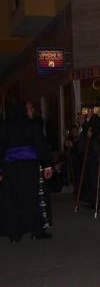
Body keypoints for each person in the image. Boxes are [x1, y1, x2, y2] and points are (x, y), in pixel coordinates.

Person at [0, 101, 53, 243]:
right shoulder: (32, 125)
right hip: (29, 169)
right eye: (28, 109)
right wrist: (47, 165)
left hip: (11, 169)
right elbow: (41, 145)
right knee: (33, 198)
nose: (30, 111)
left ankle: (15, 233)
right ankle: (37, 230)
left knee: (13, 199)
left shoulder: (5, 127)